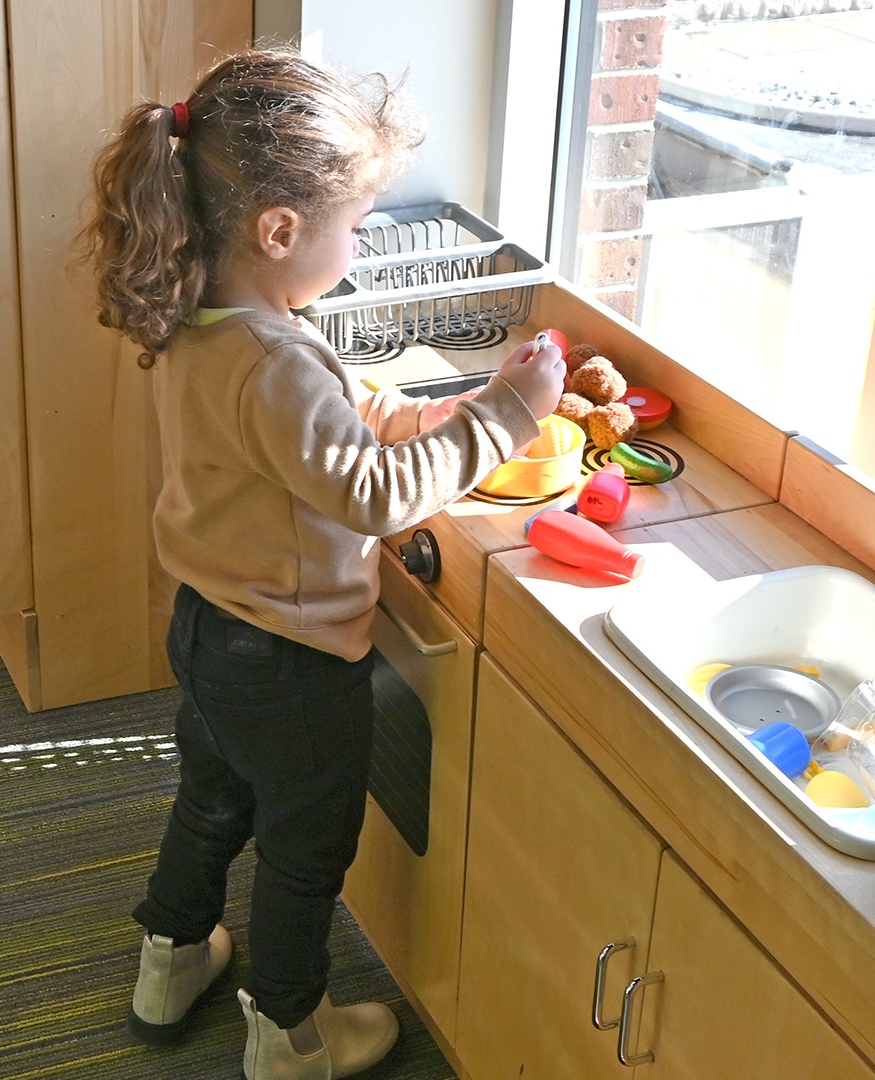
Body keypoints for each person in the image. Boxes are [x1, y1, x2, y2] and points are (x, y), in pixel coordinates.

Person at [79, 48, 565, 1079]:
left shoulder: (209, 318)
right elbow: (374, 493)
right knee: (305, 853)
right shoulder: (275, 360)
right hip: (292, 662)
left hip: (209, 628)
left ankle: (168, 962)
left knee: (211, 799)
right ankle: (290, 1034)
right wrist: (510, 417)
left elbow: (330, 424)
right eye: (356, 224)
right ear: (280, 229)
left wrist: (438, 415)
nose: (361, 241)